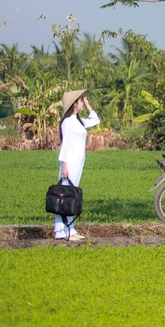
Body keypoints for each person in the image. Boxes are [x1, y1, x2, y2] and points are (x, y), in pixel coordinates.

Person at [55, 89, 100, 241]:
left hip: (78, 162)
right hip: (70, 162)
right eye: (80, 101)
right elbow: (65, 144)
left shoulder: (78, 121)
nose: (82, 102)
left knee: (71, 195)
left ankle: (70, 229)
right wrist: (65, 166)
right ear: (75, 104)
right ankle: (61, 231)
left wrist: (88, 105)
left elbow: (95, 120)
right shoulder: (67, 122)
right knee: (65, 195)